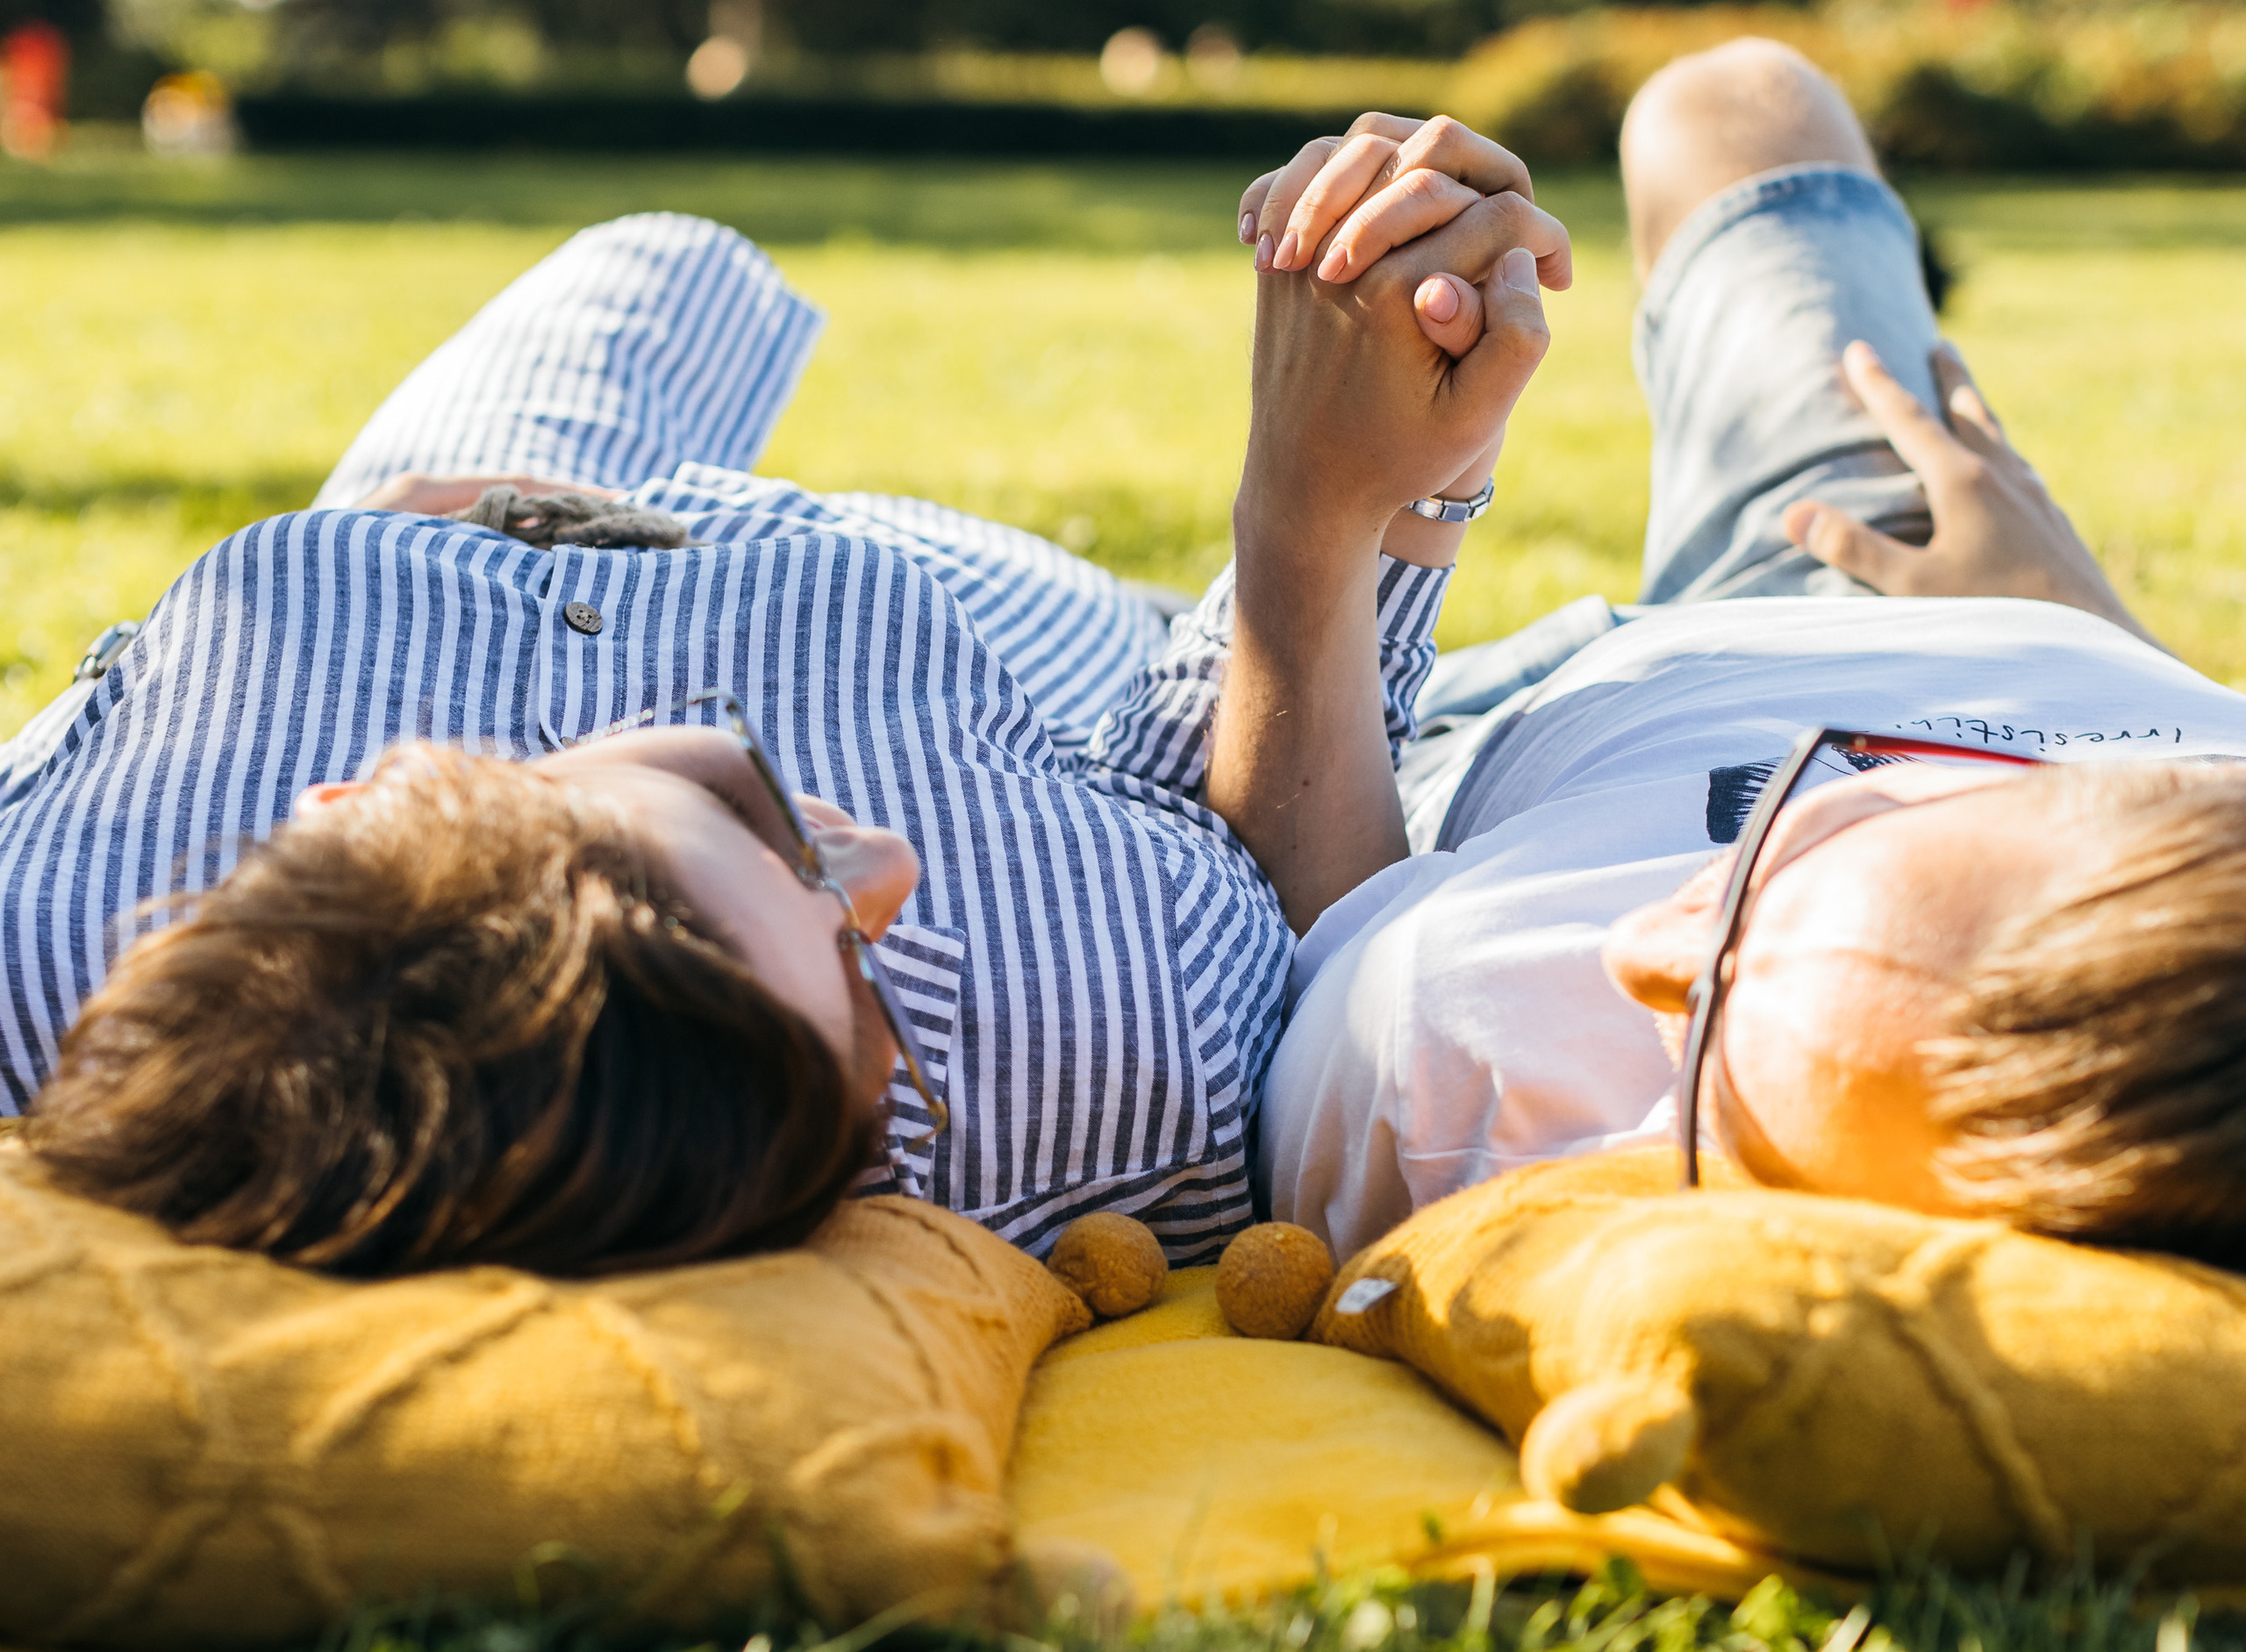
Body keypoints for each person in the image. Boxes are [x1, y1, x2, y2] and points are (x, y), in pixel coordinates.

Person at [15, 184, 1563, 1276]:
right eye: (861, 984)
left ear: (359, 802)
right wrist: (1358, 498)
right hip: (947, 624)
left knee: (661, 256)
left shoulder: (44, 934)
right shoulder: (1079, 1040)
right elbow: (1251, 843)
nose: (877, 865)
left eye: (753, 808)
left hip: (450, 529)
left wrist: (485, 519)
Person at [1253, 39, 2246, 1272]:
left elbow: (1299, 927)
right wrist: (2110, 638)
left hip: (1466, 750)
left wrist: (1326, 509)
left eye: (1710, 1007)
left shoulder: (1475, 1076)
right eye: (1854, 809)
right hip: (1950, 597)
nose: (1650, 947)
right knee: (1736, 105)